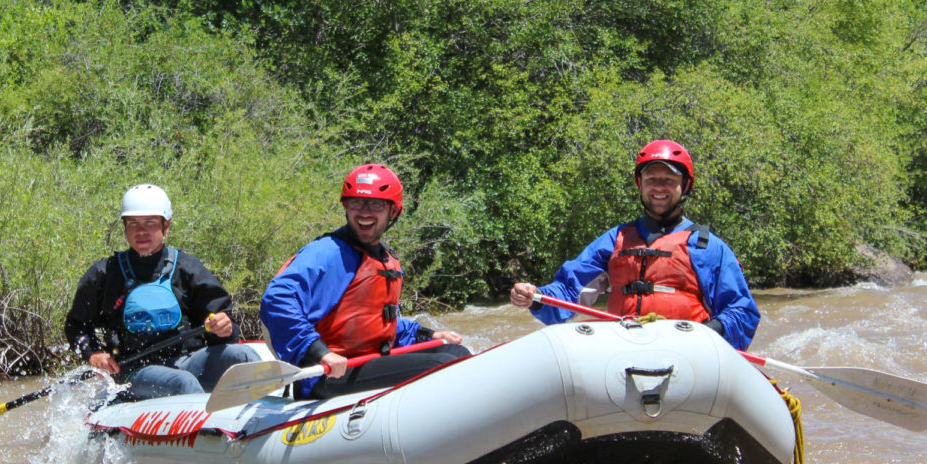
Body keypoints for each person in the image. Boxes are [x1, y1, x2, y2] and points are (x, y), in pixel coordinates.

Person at [509, 139, 760, 349]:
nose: (659, 187)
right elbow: (569, 290)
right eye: (651, 179)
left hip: (686, 352)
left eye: (669, 181)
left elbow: (741, 311)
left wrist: (706, 333)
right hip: (623, 349)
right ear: (640, 184)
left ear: (685, 186)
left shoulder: (706, 246)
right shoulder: (615, 240)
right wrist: (536, 297)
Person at [260, 163, 470, 397]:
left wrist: (427, 335)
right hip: (328, 373)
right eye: (356, 203)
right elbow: (277, 299)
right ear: (346, 207)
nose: (365, 212)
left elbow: (375, 324)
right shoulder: (328, 253)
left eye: (376, 204)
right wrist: (320, 352)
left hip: (366, 362)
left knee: (455, 352)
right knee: (442, 365)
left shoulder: (383, 258)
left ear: (393, 211)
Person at [64, 184, 253, 399]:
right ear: (125, 227)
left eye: (150, 223)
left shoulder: (188, 268)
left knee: (243, 355)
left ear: (166, 226)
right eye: (133, 223)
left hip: (188, 361)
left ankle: (267, 418)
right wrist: (93, 353)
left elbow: (226, 325)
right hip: (133, 372)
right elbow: (76, 326)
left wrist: (225, 328)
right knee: (182, 382)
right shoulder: (104, 273)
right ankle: (207, 428)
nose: (141, 231)